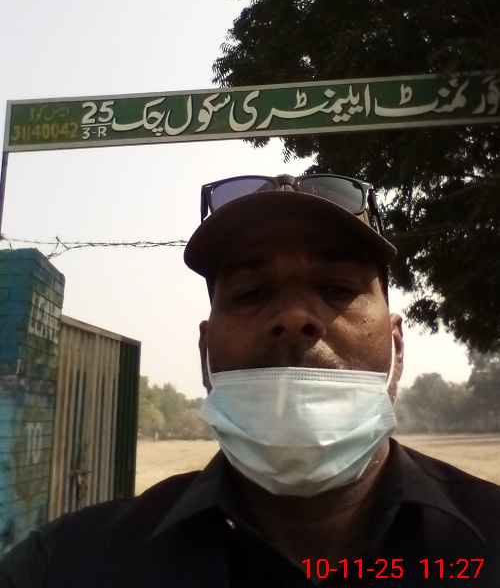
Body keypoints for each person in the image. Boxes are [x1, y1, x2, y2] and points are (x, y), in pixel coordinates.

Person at [1, 172, 499, 587]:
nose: (295, 317)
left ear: (396, 346)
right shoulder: (61, 568)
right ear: (205, 356)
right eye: (252, 292)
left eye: (336, 288)